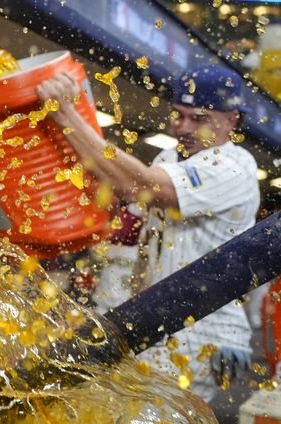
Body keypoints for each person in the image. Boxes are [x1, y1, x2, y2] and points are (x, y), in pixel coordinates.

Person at [36, 64, 260, 403]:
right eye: (177, 115)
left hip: (204, 332)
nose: (182, 127)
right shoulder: (171, 156)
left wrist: (68, 114)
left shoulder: (233, 165)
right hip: (165, 323)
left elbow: (144, 185)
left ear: (232, 120)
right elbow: (124, 192)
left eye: (198, 118)